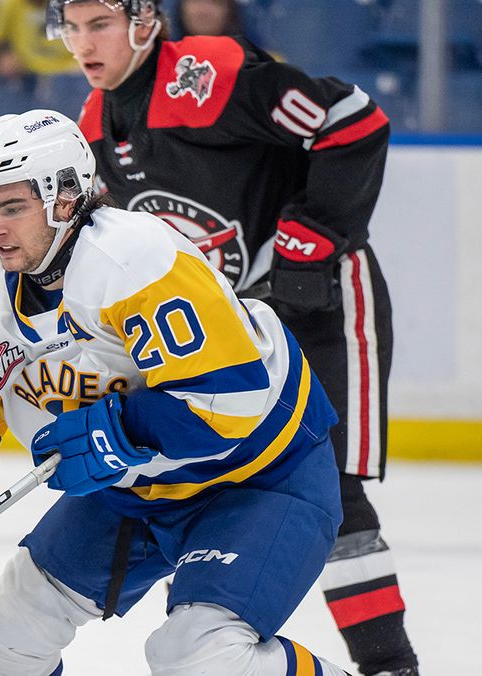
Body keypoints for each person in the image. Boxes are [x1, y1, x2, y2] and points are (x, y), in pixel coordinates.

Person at [0, 108, 352, 675]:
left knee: (196, 655)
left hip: (257, 475)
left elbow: (232, 397)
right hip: (133, 490)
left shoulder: (137, 260)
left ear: (66, 198)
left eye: (12, 208)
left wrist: (122, 427)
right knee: (10, 624)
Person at [46, 1, 416, 674]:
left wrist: (314, 239)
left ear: (144, 21)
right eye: (71, 28)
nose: (81, 44)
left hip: (322, 303)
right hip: (240, 329)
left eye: (97, 24)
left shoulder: (204, 71)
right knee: (202, 476)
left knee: (332, 484)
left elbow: (353, 118)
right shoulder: (95, 122)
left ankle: (390, 664)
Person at [0, 0, 77, 80]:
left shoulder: (71, 4)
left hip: (70, 71)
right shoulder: (10, 4)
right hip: (28, 73)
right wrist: (5, 57)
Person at [175, 0, 247, 38]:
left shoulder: (248, 62)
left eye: (214, 2)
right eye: (196, 1)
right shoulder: (166, 59)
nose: (203, 10)